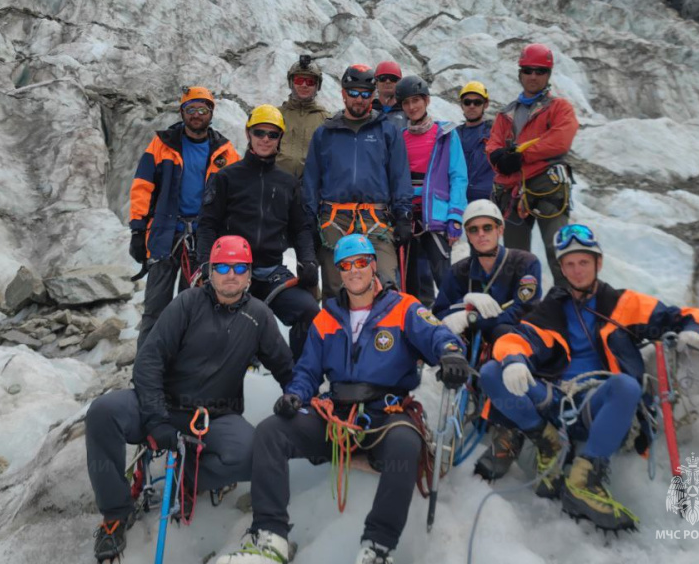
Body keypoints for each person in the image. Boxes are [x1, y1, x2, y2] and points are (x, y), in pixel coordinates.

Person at [216, 234, 469, 564]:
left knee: (406, 444)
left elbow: (439, 336)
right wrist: (294, 395)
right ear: (338, 272)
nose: (354, 271)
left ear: (373, 265)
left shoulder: (404, 307)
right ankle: (270, 535)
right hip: (337, 416)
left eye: (361, 262)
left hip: (387, 413)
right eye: (346, 266)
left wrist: (451, 354)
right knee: (271, 432)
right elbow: (307, 371)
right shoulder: (327, 317)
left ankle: (377, 546)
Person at [478, 224, 699, 531]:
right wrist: (513, 361)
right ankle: (546, 442)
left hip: (596, 402)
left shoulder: (623, 304)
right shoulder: (550, 310)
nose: (577, 271)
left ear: (598, 263)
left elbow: (681, 315)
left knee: (625, 386)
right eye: (570, 264)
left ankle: (585, 477)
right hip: (553, 400)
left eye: (584, 262)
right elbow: (516, 339)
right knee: (491, 372)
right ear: (561, 269)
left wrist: (695, 332)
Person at [87, 236, 293, 562]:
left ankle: (187, 477)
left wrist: (296, 396)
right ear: (210, 271)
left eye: (240, 267)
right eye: (222, 267)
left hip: (215, 415)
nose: (231, 274)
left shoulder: (259, 316)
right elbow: (149, 361)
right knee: (103, 412)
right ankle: (115, 512)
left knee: (252, 455)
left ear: (250, 274)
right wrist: (156, 419)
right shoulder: (187, 303)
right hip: (162, 404)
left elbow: (285, 368)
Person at [197, 105, 320, 359]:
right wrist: (207, 263)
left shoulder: (288, 183)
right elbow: (207, 224)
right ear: (248, 134)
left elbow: (301, 229)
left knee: (308, 311)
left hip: (271, 273)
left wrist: (307, 260)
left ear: (280, 139)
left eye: (272, 134)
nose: (265, 139)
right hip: (233, 272)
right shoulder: (226, 178)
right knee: (211, 324)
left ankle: (300, 380)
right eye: (259, 132)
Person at [433, 199, 542, 480]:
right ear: (467, 235)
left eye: (487, 227)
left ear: (500, 229)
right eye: (473, 229)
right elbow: (438, 315)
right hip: (475, 349)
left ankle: (510, 429)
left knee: (506, 334)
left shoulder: (524, 263)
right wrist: (462, 304)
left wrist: (470, 317)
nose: (481, 234)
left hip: (515, 346)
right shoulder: (459, 272)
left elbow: (523, 311)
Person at [129, 86, 240, 350]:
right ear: (182, 112)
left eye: (203, 110)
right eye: (191, 109)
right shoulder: (161, 145)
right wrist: (137, 229)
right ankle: (147, 366)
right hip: (165, 233)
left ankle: (183, 366)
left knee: (192, 306)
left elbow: (236, 197)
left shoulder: (225, 151)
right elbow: (142, 185)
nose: (197, 115)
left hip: (203, 237)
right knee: (155, 307)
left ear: (211, 113)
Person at [302, 64, 413, 300]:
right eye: (353, 92)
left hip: (376, 218)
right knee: (336, 288)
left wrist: (403, 216)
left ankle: (382, 336)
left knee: (386, 283)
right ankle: (338, 336)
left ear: (372, 95)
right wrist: (309, 218)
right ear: (343, 93)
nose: (359, 99)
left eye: (365, 93)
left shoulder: (387, 131)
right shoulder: (325, 133)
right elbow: (311, 179)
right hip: (334, 218)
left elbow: (399, 176)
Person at [486, 44, 579, 286]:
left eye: (539, 71)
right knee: (516, 257)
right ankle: (522, 309)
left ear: (548, 75)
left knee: (558, 250)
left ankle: (568, 305)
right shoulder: (506, 113)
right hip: (513, 192)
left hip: (547, 187)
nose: (533, 76)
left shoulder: (559, 108)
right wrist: (499, 158)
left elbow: (560, 141)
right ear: (520, 73)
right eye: (528, 71)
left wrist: (519, 155)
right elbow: (493, 144)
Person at [396, 75, 468, 306]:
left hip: (437, 216)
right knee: (412, 282)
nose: (411, 107)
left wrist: (455, 216)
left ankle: (456, 324)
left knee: (444, 277)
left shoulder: (445, 134)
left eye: (416, 100)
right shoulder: (400, 138)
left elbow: (458, 176)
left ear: (426, 101)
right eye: (406, 103)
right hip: (408, 218)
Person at [276, 55, 330, 179]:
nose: (304, 85)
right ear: (291, 83)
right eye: (299, 80)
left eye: (310, 82)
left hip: (312, 188)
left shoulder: (326, 120)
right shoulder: (275, 115)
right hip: (276, 185)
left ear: (317, 86)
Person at [456, 81, 494, 203]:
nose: (472, 106)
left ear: (485, 104)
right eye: (467, 102)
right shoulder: (453, 135)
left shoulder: (495, 134)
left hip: (487, 199)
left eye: (477, 102)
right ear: (462, 105)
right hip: (459, 198)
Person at [372, 60, 407, 129]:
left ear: (399, 83)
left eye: (393, 78)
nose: (388, 81)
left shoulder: (407, 111)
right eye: (383, 78)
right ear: (376, 83)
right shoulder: (367, 110)